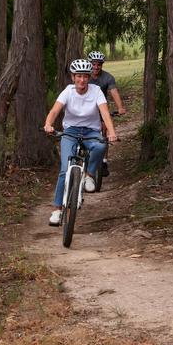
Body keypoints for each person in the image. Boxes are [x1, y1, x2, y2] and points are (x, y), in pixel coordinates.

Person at [43, 59, 119, 226]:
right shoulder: (68, 92)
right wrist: (48, 124)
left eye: (85, 76)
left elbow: (105, 113)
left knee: (101, 145)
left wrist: (112, 132)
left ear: (89, 77)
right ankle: (57, 209)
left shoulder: (96, 91)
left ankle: (89, 175)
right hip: (70, 132)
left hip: (91, 131)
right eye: (79, 76)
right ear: (73, 77)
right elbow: (55, 110)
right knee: (64, 171)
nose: (82, 80)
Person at [88, 50, 125, 178]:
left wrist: (120, 107)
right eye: (93, 64)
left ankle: (104, 161)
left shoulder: (107, 77)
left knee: (104, 133)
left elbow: (113, 92)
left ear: (102, 65)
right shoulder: (85, 77)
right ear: (90, 64)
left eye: (99, 64)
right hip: (87, 110)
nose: (96, 67)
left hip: (101, 109)